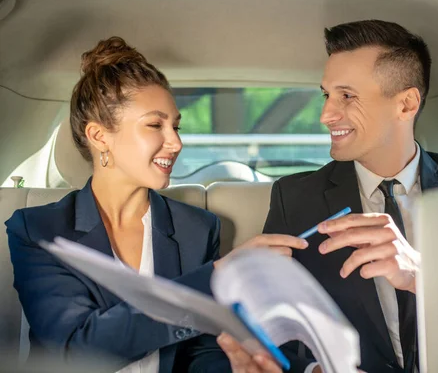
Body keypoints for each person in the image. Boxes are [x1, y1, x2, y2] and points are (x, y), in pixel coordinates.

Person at [5, 37, 304, 373]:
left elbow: (195, 354)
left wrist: (239, 366)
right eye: (154, 125)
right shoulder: (38, 229)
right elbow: (76, 350)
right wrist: (214, 277)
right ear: (99, 136)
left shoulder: (198, 228)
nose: (176, 142)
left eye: (175, 126)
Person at [218, 20, 438, 373]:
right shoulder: (295, 197)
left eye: (346, 96)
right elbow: (277, 321)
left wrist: (422, 278)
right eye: (326, 95)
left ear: (406, 104)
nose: (325, 115)